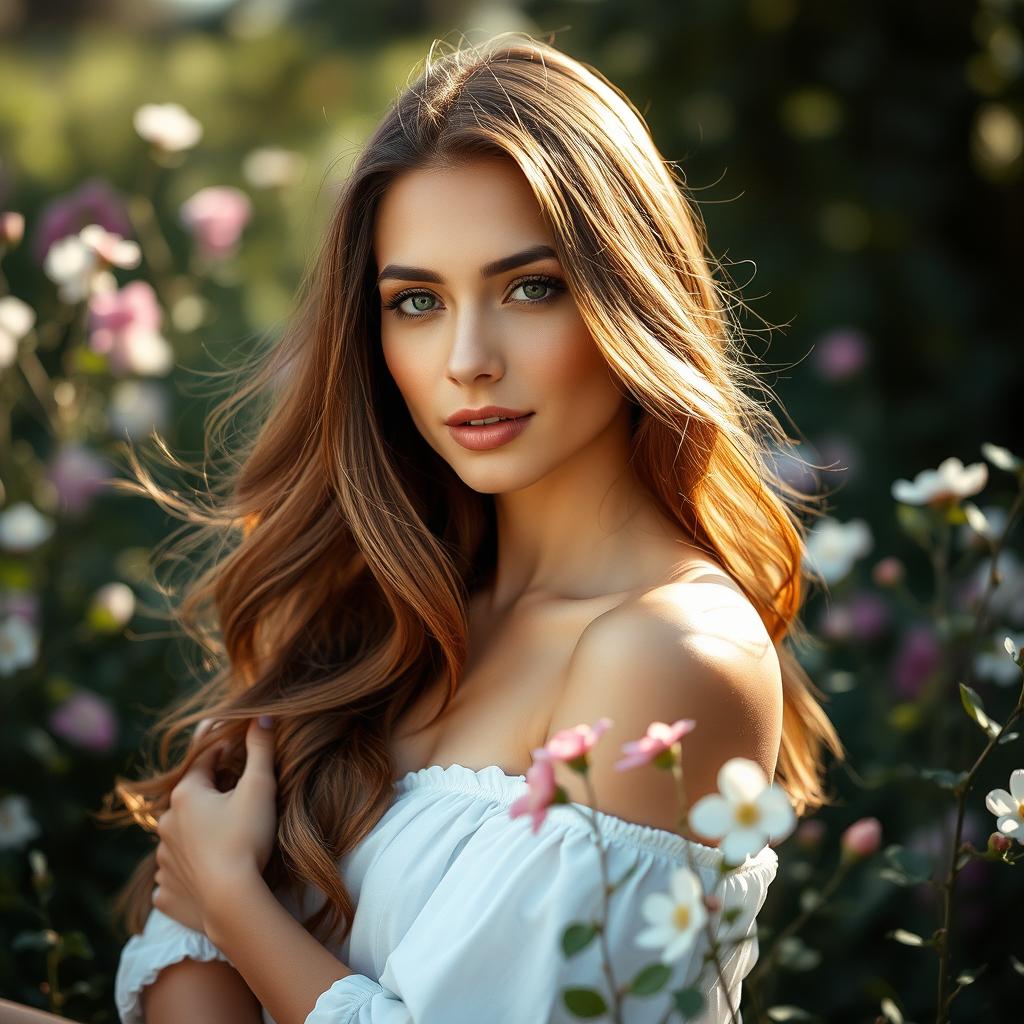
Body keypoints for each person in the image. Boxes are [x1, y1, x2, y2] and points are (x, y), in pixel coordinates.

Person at [100, 32, 844, 1024]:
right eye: (415, 301)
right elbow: (185, 963)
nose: (467, 358)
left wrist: (235, 904)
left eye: (530, 288)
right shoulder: (369, 608)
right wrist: (215, 911)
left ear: (630, 296)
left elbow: (210, 901)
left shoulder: (670, 655)